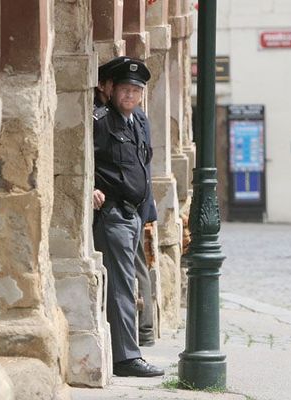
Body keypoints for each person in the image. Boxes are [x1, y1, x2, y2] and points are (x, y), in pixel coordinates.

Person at [92, 58, 163, 377]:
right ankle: (126, 357)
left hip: (135, 214)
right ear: (111, 90)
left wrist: (149, 212)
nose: (131, 95)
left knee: (132, 280)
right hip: (114, 212)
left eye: (136, 90)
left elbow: (144, 167)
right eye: (125, 89)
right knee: (122, 283)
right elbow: (82, 159)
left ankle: (134, 344)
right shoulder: (100, 121)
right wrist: (90, 188)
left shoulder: (141, 122)